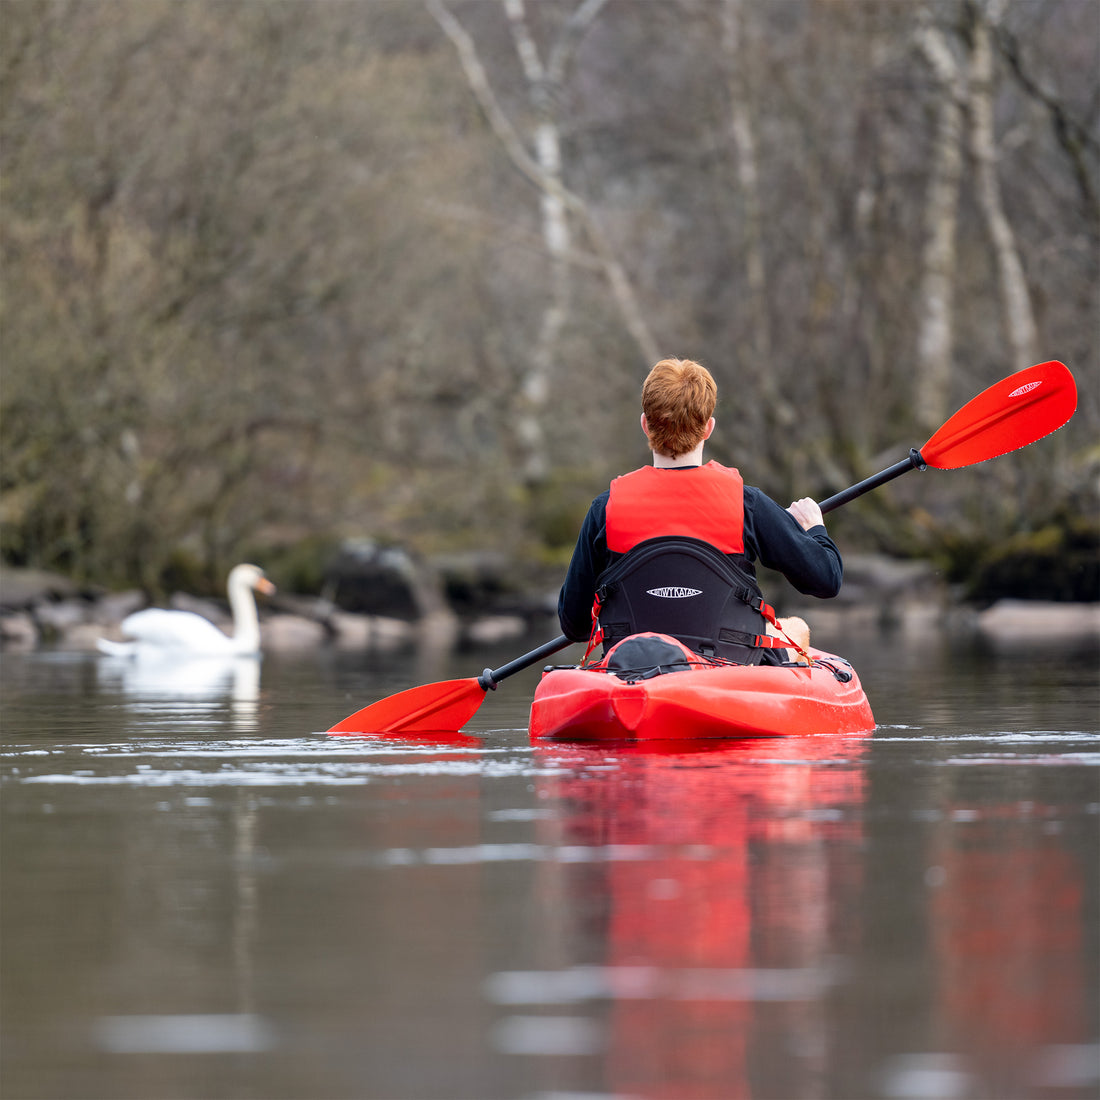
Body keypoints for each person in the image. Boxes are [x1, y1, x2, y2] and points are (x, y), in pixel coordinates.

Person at [557, 358, 842, 664]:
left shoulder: (604, 510)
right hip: (729, 667)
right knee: (796, 628)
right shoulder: (747, 505)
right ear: (708, 428)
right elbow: (826, 579)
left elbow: (575, 626)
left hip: (632, 670)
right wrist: (814, 529)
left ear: (645, 424)